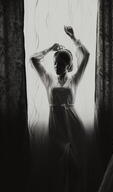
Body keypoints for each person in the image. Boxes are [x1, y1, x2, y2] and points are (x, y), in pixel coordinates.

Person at [30, 26, 90, 192]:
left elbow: (86, 56)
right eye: (55, 63)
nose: (56, 66)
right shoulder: (48, 79)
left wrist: (74, 38)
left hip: (73, 123)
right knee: (58, 166)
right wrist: (50, 49)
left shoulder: (74, 80)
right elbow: (34, 60)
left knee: (75, 166)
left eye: (60, 64)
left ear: (68, 65)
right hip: (56, 125)